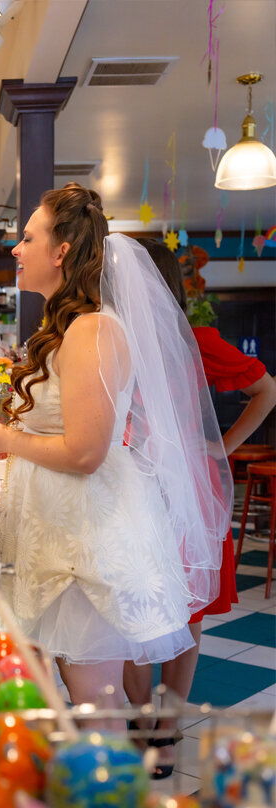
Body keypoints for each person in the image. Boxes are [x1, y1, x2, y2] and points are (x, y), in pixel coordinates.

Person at [0, 183, 232, 712]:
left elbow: (87, 453)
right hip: (62, 531)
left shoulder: (91, 330)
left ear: (61, 250)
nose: (16, 250)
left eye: (27, 238)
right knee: (83, 695)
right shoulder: (69, 326)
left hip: (85, 539)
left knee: (96, 704)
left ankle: (113, 792)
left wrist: (8, 439)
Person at [123, 238, 276, 775]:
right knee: (132, 604)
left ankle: (166, 725)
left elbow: (267, 390)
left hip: (185, 490)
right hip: (128, 488)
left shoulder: (194, 341)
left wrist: (223, 445)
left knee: (186, 609)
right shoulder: (108, 338)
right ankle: (142, 721)